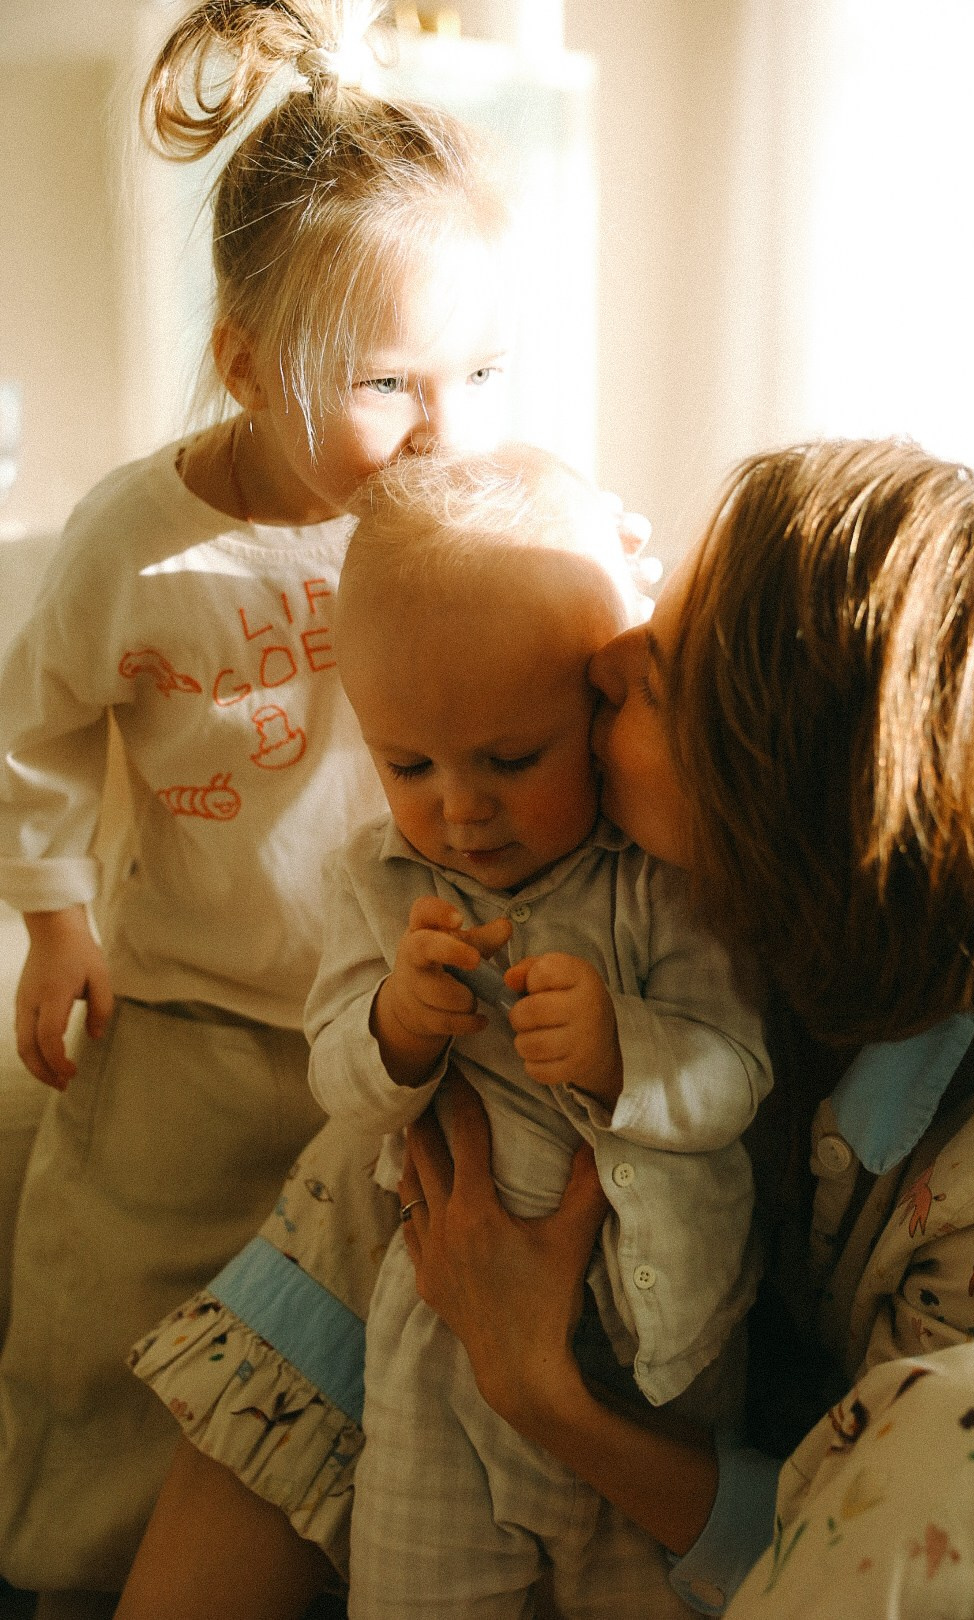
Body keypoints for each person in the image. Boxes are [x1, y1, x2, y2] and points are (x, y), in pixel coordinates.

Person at [122, 436, 974, 1619]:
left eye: (657, 674)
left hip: (723, 1480)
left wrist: (540, 1392)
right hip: (513, 1377)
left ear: (762, 813)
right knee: (416, 1145)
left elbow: (847, 1545)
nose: (607, 657)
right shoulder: (608, 904)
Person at [0, 0, 522, 1603]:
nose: (444, 428)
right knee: (110, 1319)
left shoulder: (456, 516)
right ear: (244, 363)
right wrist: (55, 917)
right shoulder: (135, 543)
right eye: (386, 383)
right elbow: (34, 731)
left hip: (384, 1021)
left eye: (479, 372)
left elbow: (563, 648)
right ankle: (71, 1569)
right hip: (185, 1016)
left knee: (324, 1348)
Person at [311, 444, 770, 1616]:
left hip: (661, 1358)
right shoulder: (379, 881)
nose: (459, 808)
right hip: (444, 1358)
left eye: (512, 759)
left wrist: (626, 1051)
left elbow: (737, 1070)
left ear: (596, 707)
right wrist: (396, 1026)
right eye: (406, 763)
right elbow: (337, 1078)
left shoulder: (656, 881)